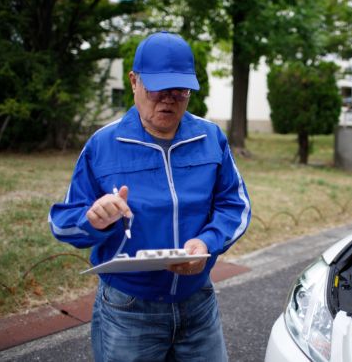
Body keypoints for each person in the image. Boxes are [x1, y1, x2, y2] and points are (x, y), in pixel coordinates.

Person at [48, 31, 251, 362]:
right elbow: (62, 223)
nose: (169, 98)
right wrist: (91, 221)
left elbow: (235, 205)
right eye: (158, 87)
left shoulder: (210, 137)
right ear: (134, 82)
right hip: (128, 310)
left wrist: (208, 243)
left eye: (180, 89)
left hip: (198, 302)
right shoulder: (103, 145)